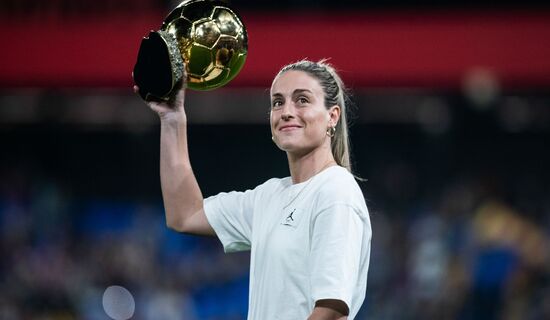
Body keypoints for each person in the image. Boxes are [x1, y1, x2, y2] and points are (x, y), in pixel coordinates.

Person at [137, 59, 372, 320]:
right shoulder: (269, 196)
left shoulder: (336, 190)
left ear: (332, 116)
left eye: (302, 100)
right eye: (277, 102)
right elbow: (185, 214)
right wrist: (172, 118)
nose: (286, 112)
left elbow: (331, 311)